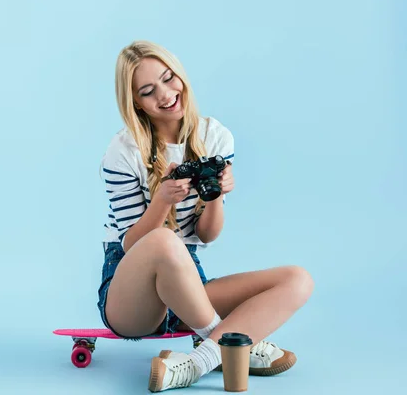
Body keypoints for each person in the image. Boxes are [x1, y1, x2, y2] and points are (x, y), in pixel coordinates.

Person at [96, 40, 314, 392]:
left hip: (186, 288)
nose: (167, 95)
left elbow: (208, 235)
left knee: (298, 279)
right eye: (149, 91)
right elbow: (133, 243)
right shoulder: (122, 151)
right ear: (135, 101)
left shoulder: (214, 136)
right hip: (131, 297)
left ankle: (198, 362)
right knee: (164, 240)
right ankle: (235, 343)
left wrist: (217, 196)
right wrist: (162, 201)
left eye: (169, 79)